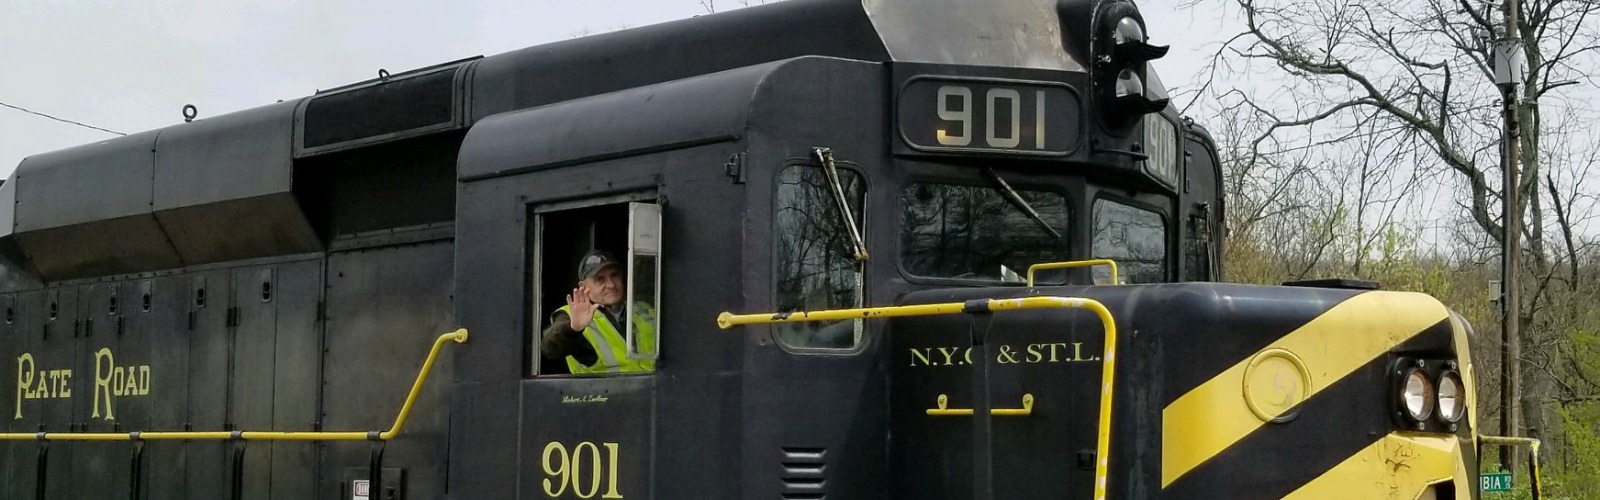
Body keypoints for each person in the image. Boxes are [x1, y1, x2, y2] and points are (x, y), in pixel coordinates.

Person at [542, 250, 657, 374]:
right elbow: (549, 349)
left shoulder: (646, 310)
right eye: (600, 279)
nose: (611, 285)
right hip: (606, 392)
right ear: (584, 286)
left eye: (614, 275)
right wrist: (572, 329)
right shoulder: (572, 315)